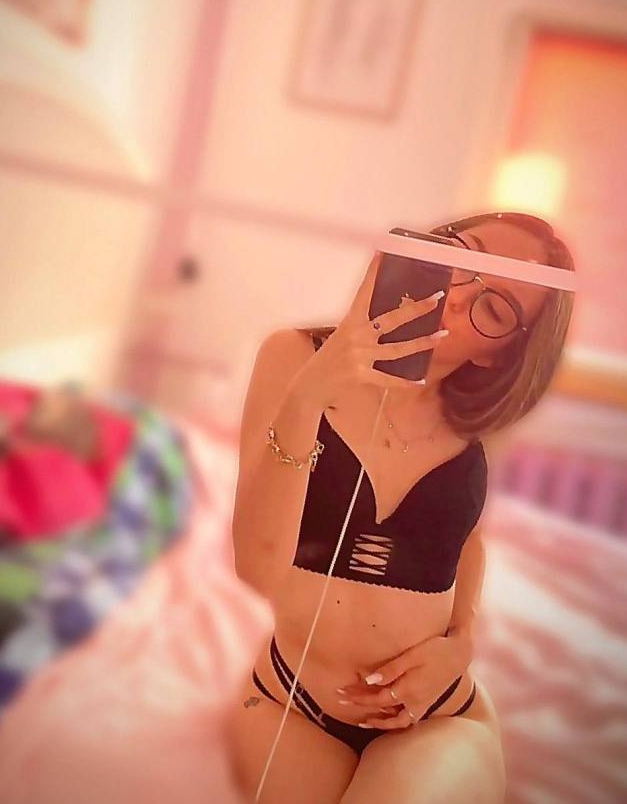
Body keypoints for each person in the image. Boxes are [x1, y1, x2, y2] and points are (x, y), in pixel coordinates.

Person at [229, 211, 575, 803]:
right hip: (291, 699)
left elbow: (465, 540)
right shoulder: (293, 357)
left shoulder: (473, 420)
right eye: (463, 258)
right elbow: (258, 570)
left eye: (493, 309)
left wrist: (462, 641)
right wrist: (313, 392)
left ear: (497, 355)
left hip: (435, 714)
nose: (459, 294)